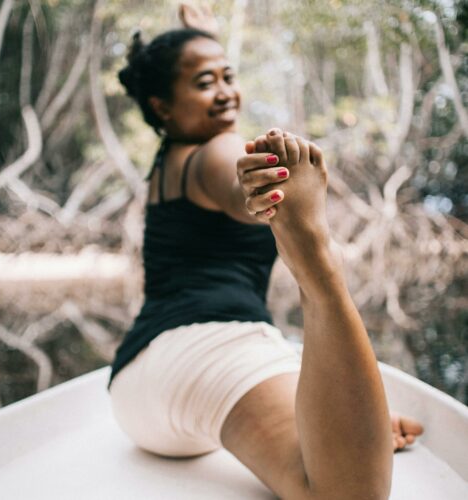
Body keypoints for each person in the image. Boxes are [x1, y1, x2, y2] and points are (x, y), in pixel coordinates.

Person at [109, 19, 423, 499]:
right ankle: (316, 263)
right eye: (204, 82)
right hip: (209, 351)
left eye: (229, 77)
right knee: (348, 490)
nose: (225, 92)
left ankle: (345, 428)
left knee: (347, 427)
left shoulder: (167, 163)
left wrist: (194, 33)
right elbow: (233, 183)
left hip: (139, 386)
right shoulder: (217, 150)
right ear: (161, 106)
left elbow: (223, 178)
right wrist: (260, 190)